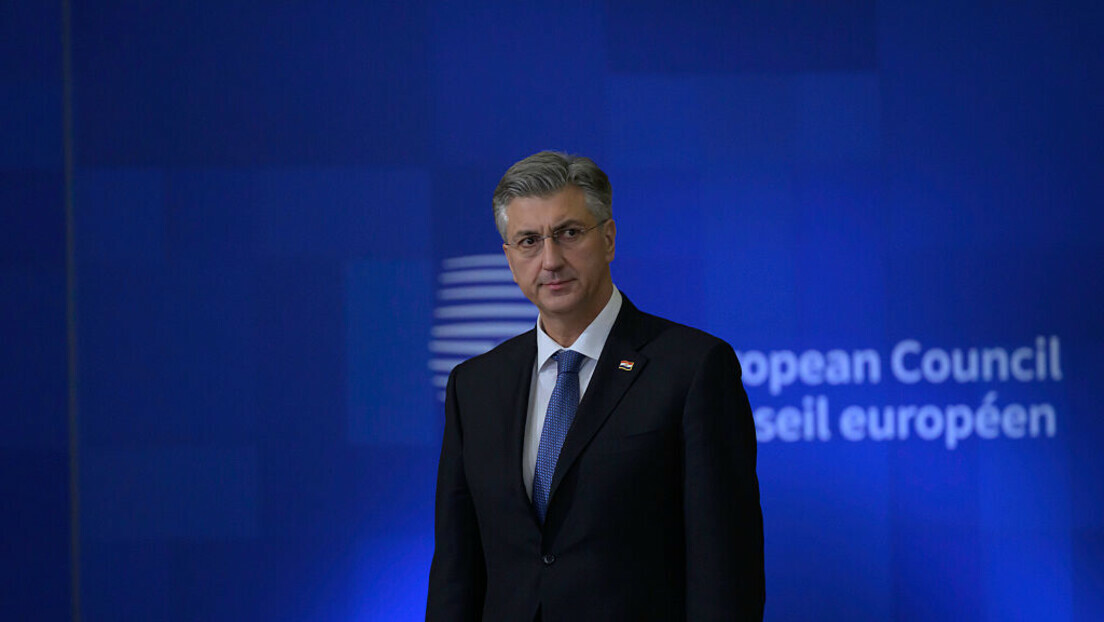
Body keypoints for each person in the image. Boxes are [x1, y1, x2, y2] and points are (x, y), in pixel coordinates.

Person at [426, 151, 764, 621]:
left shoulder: (693, 369)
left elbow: (725, 572)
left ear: (608, 238)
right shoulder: (475, 385)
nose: (550, 260)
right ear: (509, 258)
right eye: (529, 241)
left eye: (569, 233)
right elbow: (455, 570)